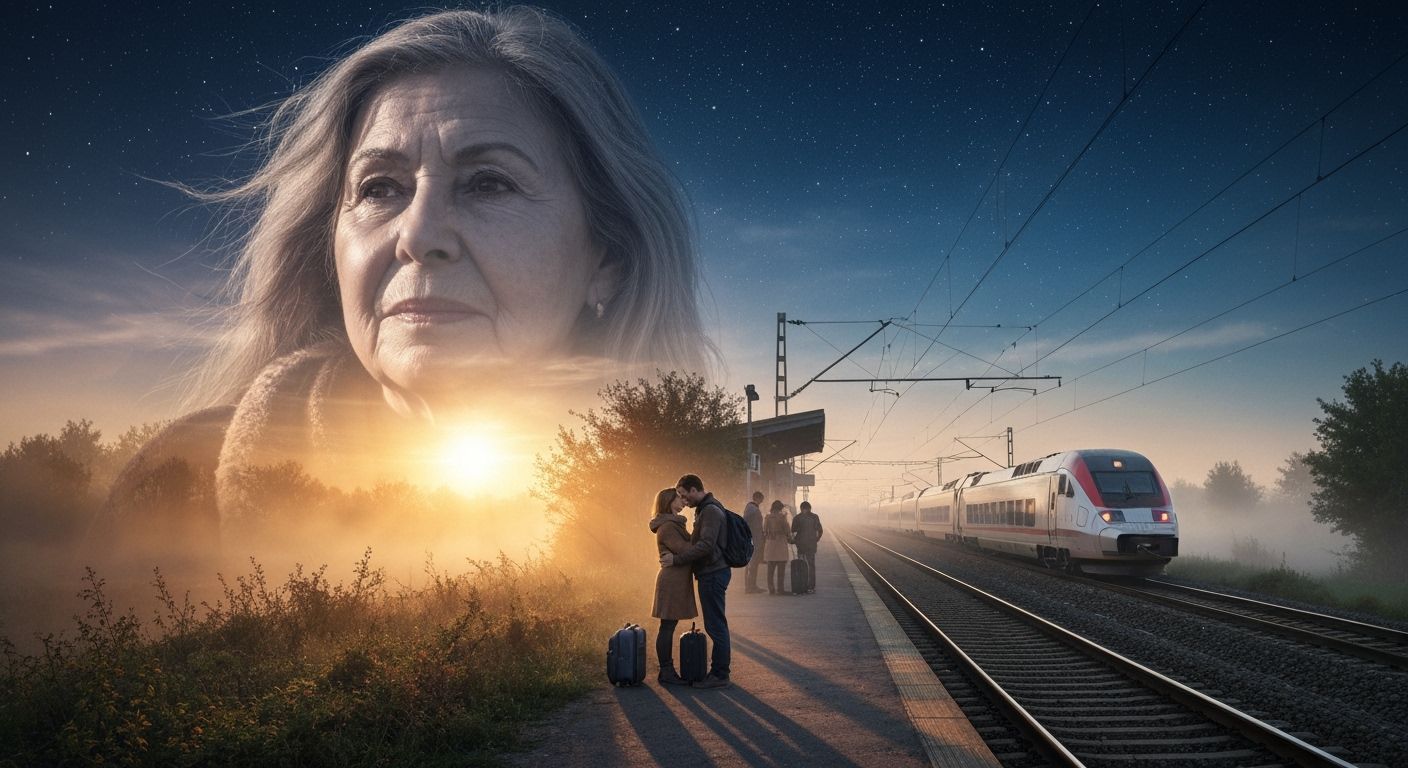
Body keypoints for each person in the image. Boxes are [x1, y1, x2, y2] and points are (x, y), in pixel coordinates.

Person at [100, 7, 713, 549]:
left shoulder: (685, 489)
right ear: (330, 251)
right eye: (379, 188)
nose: (418, 238)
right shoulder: (176, 478)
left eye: (489, 183)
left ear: (607, 260)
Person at [660, 474, 730, 689]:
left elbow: (706, 545)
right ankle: (719, 672)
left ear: (693, 490)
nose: (684, 500)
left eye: (683, 494)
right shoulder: (705, 509)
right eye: (678, 496)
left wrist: (677, 559)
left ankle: (719, 674)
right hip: (712, 572)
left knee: (716, 625)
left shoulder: (709, 511)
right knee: (716, 624)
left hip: (713, 573)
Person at [649, 487, 696, 686]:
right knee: (667, 626)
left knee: (669, 625)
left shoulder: (673, 523)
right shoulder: (668, 527)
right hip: (671, 581)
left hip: (676, 579)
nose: (683, 500)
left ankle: (666, 670)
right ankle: (666, 671)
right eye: (679, 497)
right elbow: (687, 549)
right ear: (669, 501)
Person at [791, 500, 824, 593]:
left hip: (801, 546)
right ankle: (811, 587)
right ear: (810, 508)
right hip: (811, 546)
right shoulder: (814, 517)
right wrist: (816, 539)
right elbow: (820, 530)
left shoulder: (797, 518)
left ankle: (802, 585)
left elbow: (793, 530)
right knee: (811, 566)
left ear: (801, 509)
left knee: (802, 565)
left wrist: (796, 540)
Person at [762, 500, 791, 595]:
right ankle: (780, 589)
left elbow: (764, 530)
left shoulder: (767, 517)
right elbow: (787, 530)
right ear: (780, 508)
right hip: (780, 545)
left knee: (770, 571)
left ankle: (771, 589)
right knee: (781, 570)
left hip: (770, 544)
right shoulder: (782, 517)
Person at [742, 491, 765, 593]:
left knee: (753, 563)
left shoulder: (752, 508)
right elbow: (745, 522)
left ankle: (752, 586)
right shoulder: (752, 509)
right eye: (761, 500)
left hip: (754, 539)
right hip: (752, 540)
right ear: (758, 498)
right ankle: (750, 587)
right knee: (752, 564)